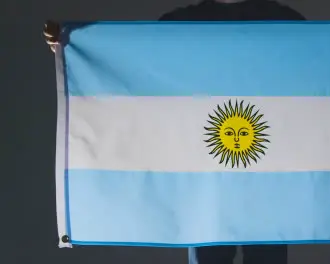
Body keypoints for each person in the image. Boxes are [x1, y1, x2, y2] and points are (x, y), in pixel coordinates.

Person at [43, 1, 305, 264]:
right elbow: (128, 57)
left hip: (266, 171)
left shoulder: (284, 19)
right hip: (203, 172)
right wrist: (71, 45)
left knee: (266, 257)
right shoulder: (181, 21)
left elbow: (319, 61)